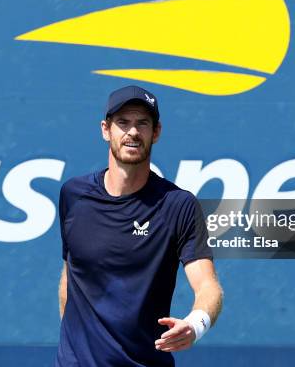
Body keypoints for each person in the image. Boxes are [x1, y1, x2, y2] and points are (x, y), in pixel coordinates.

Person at [56, 85, 223, 366]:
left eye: (142, 123)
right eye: (123, 123)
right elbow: (70, 275)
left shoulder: (178, 205)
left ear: (155, 132)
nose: (132, 132)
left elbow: (209, 287)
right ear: (105, 130)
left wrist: (196, 325)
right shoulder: (73, 195)